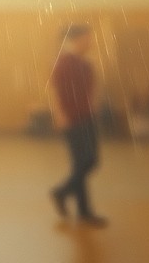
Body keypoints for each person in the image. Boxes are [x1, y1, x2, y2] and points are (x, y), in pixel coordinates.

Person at [47, 24, 106, 228]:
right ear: (78, 39)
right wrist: (60, 114)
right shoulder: (64, 62)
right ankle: (80, 208)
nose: (91, 42)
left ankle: (65, 195)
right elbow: (54, 89)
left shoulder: (85, 63)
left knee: (88, 162)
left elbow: (90, 91)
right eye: (88, 38)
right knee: (84, 161)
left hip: (87, 117)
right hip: (72, 119)